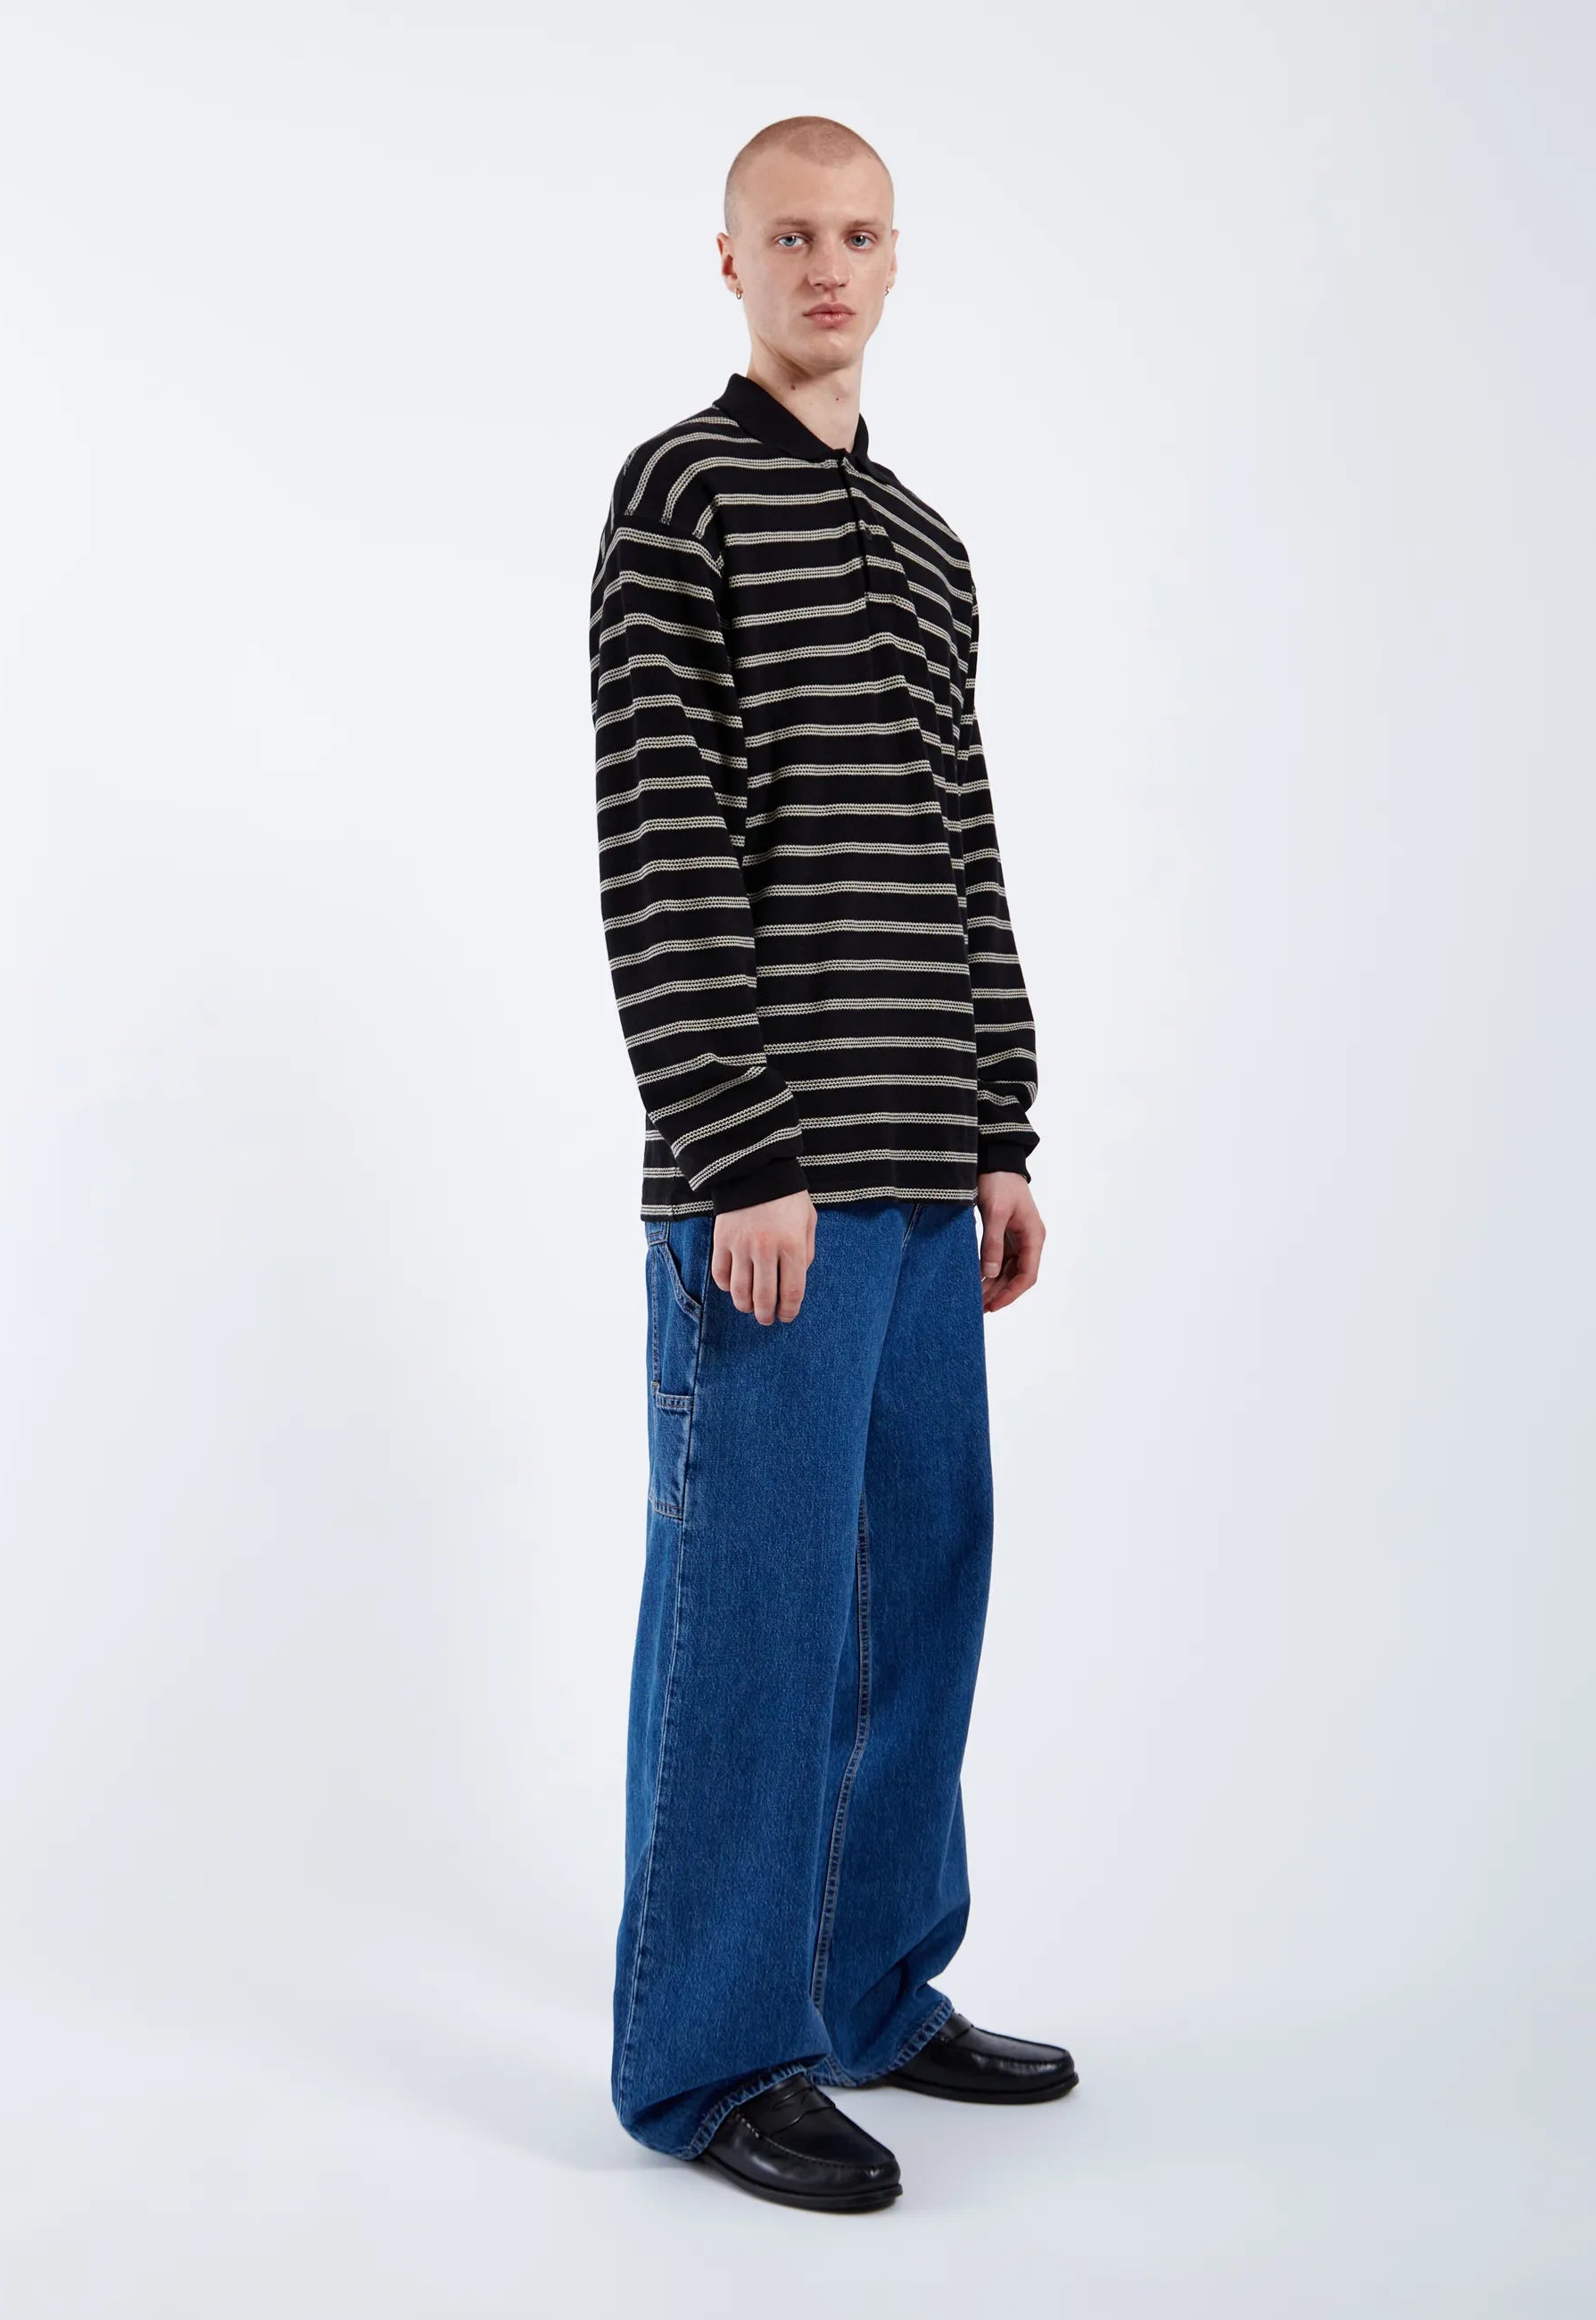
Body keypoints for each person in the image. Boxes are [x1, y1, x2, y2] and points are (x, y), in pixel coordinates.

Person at [588, 114, 1078, 2214]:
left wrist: (1001, 1132)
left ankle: (873, 1987)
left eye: (859, 235)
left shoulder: (929, 544)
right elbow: (661, 836)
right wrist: (736, 1148)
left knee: (919, 1591)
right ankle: (711, 2057)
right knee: (756, 1613)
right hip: (770, 1186)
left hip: (921, 1171)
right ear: (730, 261)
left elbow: (964, 842)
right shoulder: (680, 495)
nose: (826, 267)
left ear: (894, 261)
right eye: (789, 234)